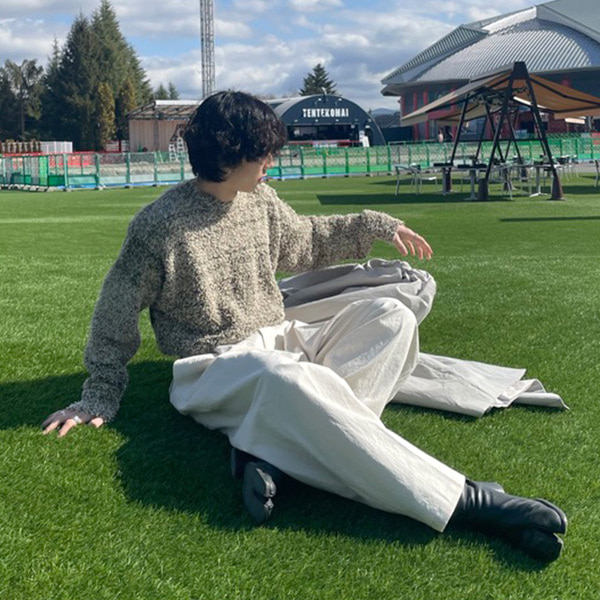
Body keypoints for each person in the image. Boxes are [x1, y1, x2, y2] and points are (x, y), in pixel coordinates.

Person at [42, 91, 566, 562]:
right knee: (288, 378)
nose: (272, 162)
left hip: (283, 337)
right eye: (264, 153)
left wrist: (376, 224)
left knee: (393, 317)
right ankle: (471, 502)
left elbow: (306, 241)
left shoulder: (260, 201)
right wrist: (98, 395)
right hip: (213, 366)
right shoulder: (158, 226)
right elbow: (114, 311)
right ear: (231, 154)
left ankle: (272, 453)